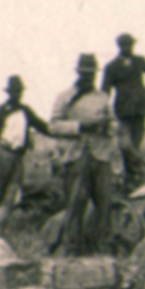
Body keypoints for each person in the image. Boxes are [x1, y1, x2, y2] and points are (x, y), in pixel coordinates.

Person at [46, 53, 121, 256]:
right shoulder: (65, 97)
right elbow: (54, 126)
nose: (88, 77)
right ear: (78, 72)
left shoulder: (103, 97)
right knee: (75, 203)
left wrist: (108, 127)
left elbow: (114, 124)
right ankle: (72, 248)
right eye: (85, 73)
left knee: (104, 204)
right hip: (76, 156)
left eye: (91, 74)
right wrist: (81, 126)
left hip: (101, 155)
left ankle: (102, 247)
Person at [0, 76, 53, 232]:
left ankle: (1, 223)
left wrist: (60, 130)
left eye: (19, 91)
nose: (17, 94)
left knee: (15, 191)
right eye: (14, 91)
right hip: (2, 152)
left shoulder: (25, 111)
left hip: (18, 155)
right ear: (9, 93)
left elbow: (41, 126)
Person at [104, 34, 145, 187]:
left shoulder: (140, 61)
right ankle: (137, 172)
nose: (128, 48)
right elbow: (105, 90)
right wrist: (105, 110)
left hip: (141, 107)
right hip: (123, 110)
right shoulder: (111, 66)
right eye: (125, 45)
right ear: (119, 46)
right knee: (125, 145)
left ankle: (133, 177)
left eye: (130, 45)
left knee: (136, 143)